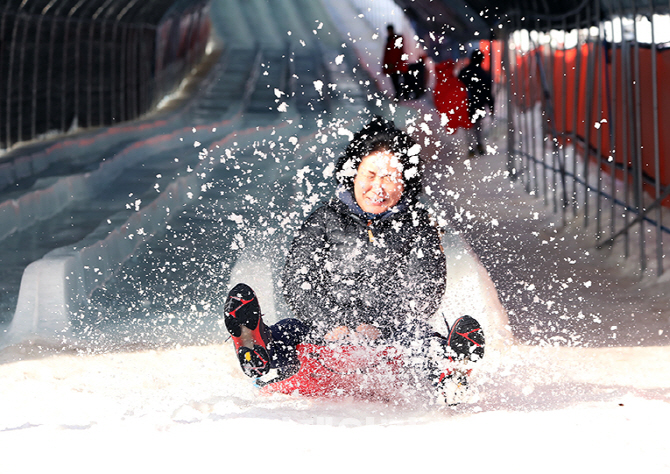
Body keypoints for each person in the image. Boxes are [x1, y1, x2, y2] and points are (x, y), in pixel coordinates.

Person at [224, 117, 485, 401]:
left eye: (389, 177)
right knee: (289, 331)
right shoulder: (324, 219)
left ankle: (451, 371)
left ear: (406, 182)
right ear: (353, 175)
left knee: (420, 340)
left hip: (390, 340)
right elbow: (298, 280)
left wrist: (382, 326)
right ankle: (257, 348)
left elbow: (425, 288)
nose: (378, 186)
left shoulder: (417, 225)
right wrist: (329, 324)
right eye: (370, 175)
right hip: (324, 339)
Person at [458, 49, 494, 156]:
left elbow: (458, 88)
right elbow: (488, 92)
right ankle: (479, 144)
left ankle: (471, 147)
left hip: (466, 102)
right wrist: (491, 106)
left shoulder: (464, 72)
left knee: (468, 126)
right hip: (479, 103)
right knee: (478, 125)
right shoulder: (484, 74)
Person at [433, 60, 471, 134]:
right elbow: (463, 97)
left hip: (445, 119)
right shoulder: (455, 82)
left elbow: (437, 100)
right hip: (457, 116)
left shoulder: (439, 84)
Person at [382, 25, 407, 100]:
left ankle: (399, 95)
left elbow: (394, 53)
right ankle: (400, 94)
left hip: (395, 64)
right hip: (393, 64)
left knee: (397, 80)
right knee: (396, 80)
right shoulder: (391, 40)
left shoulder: (393, 40)